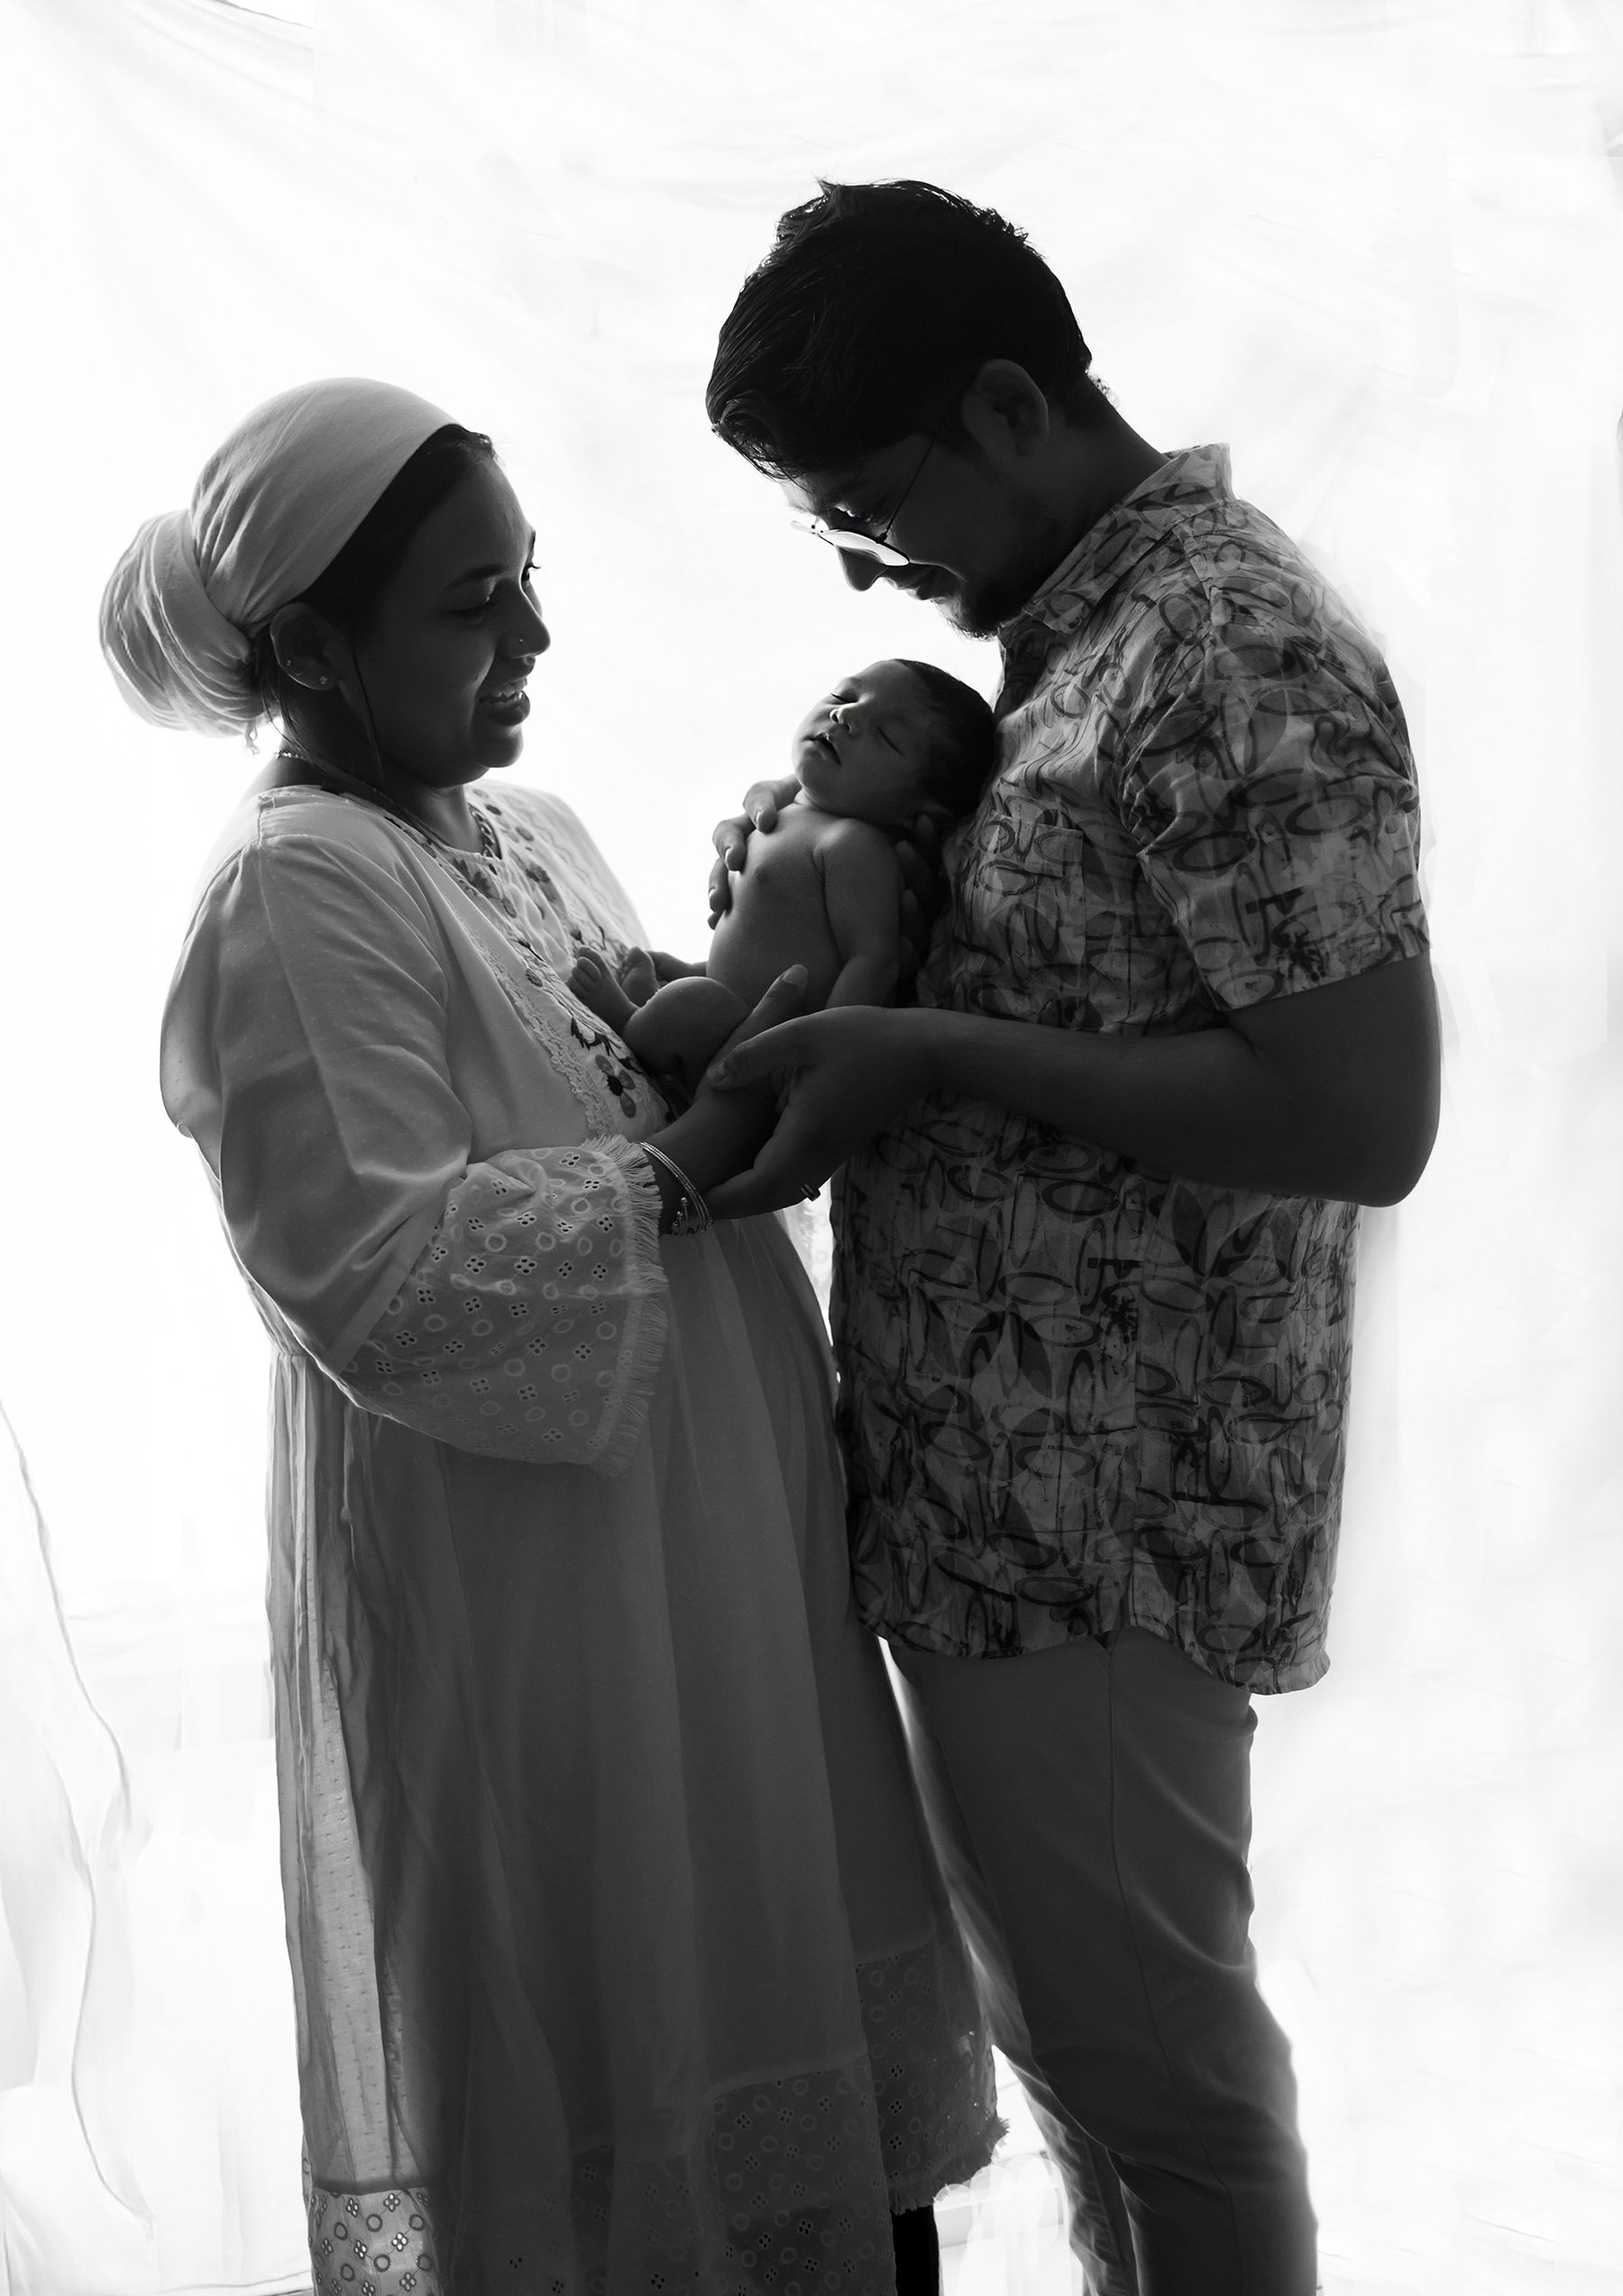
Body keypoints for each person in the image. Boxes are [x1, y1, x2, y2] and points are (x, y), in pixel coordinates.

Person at [101, 378, 1003, 2296]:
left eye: (528, 582)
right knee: (624, 2059)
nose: (530, 640)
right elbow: (380, 1273)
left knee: (796, 2016)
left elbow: (633, 1063)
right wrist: (683, 1159)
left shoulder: (532, 825)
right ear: (313, 652)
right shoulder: (296, 886)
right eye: (468, 605)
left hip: (713, 1560)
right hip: (540, 1598)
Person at [699, 182, 1442, 2296]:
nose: (861, 567)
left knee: (1165, 2086)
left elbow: (1363, 1112)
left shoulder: (1223, 645)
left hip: (1101, 1522)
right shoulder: (1077, 650)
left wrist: (922, 1046)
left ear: (1010, 401)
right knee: (1091, 2076)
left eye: (866, 501)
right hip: (1003, 1509)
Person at [567, 658, 994, 1098]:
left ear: (918, 812)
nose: (844, 716)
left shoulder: (852, 844)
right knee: (684, 979)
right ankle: (668, 1014)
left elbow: (872, 960)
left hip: (757, 1047)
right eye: (843, 696)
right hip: (734, 1004)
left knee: (694, 1001)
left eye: (887, 736)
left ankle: (630, 1021)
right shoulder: (799, 811)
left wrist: (816, 1056)